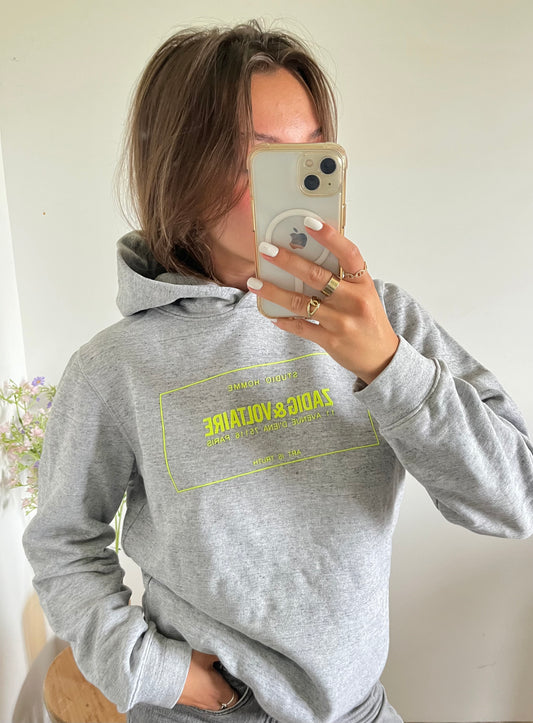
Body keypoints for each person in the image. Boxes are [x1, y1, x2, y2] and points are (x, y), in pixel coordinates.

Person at [23, 19, 533, 723]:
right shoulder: (113, 368)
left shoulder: (384, 322)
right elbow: (62, 543)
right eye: (261, 158)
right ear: (182, 167)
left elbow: (514, 500)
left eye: (312, 154)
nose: (296, 186)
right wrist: (154, 670)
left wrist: (389, 367)